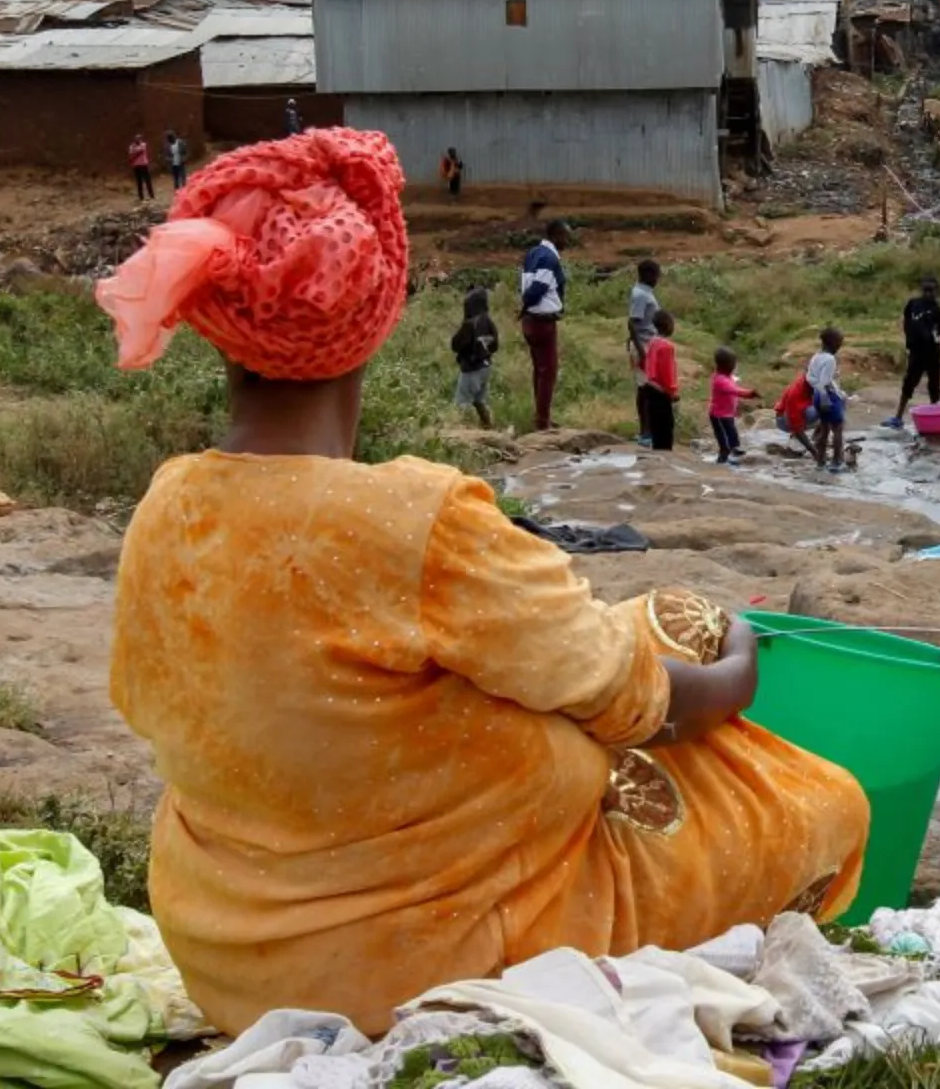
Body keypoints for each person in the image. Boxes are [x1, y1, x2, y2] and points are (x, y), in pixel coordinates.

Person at [93, 129, 867, 1036]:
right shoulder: (418, 524)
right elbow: (641, 704)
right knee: (828, 801)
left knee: (666, 617)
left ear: (220, 322)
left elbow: (155, 699)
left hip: (226, 958)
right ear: (372, 319)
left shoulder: (169, 506)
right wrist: (741, 670)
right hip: (434, 958)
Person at [518, 222, 567, 433]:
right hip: (542, 320)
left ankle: (541, 415)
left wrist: (524, 308)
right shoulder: (549, 258)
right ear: (556, 235)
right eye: (565, 236)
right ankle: (542, 421)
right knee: (548, 371)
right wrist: (527, 303)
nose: (567, 241)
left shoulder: (533, 253)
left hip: (530, 320)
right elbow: (538, 287)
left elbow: (526, 283)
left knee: (539, 369)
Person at [888, 275, 940, 429]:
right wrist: (910, 340)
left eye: (931, 291)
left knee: (934, 385)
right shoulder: (913, 304)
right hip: (916, 351)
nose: (928, 294)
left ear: (936, 291)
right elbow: (907, 321)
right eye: (926, 290)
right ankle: (898, 417)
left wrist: (929, 335)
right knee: (909, 383)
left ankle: (935, 415)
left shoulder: (938, 310)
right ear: (922, 290)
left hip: (932, 352)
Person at [449, 286, 500, 428]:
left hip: (471, 369)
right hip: (486, 366)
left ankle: (463, 431)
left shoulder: (469, 325)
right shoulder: (489, 322)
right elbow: (495, 345)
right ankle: (488, 425)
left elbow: (455, 345)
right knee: (480, 400)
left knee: (462, 402)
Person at [628, 260, 663, 446]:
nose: (658, 279)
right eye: (657, 275)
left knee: (647, 389)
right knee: (645, 391)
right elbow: (632, 323)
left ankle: (647, 431)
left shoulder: (645, 292)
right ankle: (645, 433)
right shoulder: (641, 294)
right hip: (643, 346)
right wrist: (642, 353)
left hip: (649, 345)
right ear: (648, 275)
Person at [806, 327, 848, 473]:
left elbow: (810, 378)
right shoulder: (830, 359)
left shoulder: (815, 357)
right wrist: (834, 395)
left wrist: (820, 394)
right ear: (833, 343)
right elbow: (825, 381)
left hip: (817, 395)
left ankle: (821, 461)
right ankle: (837, 462)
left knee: (824, 429)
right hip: (827, 396)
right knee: (837, 429)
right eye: (839, 343)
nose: (840, 346)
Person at [640, 310, 680, 453]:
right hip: (661, 392)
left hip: (649, 387)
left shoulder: (652, 342)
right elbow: (667, 373)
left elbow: (647, 365)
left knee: (656, 429)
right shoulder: (667, 347)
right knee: (666, 430)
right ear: (669, 325)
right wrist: (673, 391)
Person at [710, 348, 757, 466]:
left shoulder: (726, 376)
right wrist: (749, 393)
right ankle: (723, 458)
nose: (736, 366)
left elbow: (732, 383)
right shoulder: (720, 380)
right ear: (728, 366)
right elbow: (734, 390)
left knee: (732, 431)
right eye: (734, 363)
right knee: (723, 436)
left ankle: (734, 448)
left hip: (727, 413)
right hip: (719, 415)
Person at [128, 132, 155, 203]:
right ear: (135, 139)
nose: (138, 140)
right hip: (137, 166)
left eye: (139, 138)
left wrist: (133, 152)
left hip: (143, 164)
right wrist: (133, 153)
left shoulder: (143, 145)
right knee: (139, 181)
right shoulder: (132, 146)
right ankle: (141, 197)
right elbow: (131, 154)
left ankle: (151, 195)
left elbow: (137, 152)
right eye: (137, 138)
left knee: (147, 180)